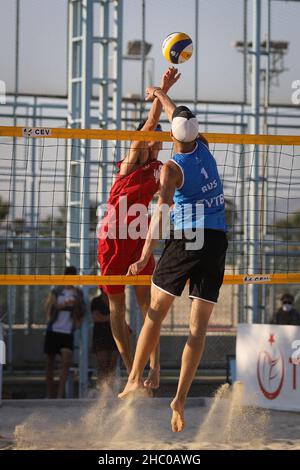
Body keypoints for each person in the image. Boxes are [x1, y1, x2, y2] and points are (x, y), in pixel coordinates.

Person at [119, 86, 228, 434]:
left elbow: (160, 214)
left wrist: (144, 252)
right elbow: (178, 119)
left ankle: (135, 378)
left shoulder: (171, 169)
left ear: (170, 135)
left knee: (155, 310)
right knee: (198, 330)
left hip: (188, 238)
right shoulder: (205, 146)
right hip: (217, 241)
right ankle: (179, 398)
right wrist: (160, 94)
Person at [97, 67, 180, 389]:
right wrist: (162, 90)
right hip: (113, 238)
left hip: (138, 237)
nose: (157, 141)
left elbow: (169, 195)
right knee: (117, 307)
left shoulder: (160, 168)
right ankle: (131, 370)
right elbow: (148, 125)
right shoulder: (132, 159)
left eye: (160, 138)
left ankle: (154, 371)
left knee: (150, 306)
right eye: (154, 136)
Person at [44, 266, 84, 398]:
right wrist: (59, 306)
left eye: (73, 277)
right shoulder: (56, 290)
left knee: (66, 363)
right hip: (53, 330)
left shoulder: (78, 293)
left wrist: (75, 304)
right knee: (50, 363)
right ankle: (50, 393)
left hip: (68, 332)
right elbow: (47, 308)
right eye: (68, 276)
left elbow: (82, 312)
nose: (70, 280)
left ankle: (60, 394)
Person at [91, 289, 120, 386]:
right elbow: (97, 317)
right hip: (101, 335)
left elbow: (119, 316)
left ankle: (111, 388)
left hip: (114, 334)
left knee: (112, 363)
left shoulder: (116, 299)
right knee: (103, 363)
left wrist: (107, 317)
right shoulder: (96, 301)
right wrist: (112, 317)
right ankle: (102, 387)